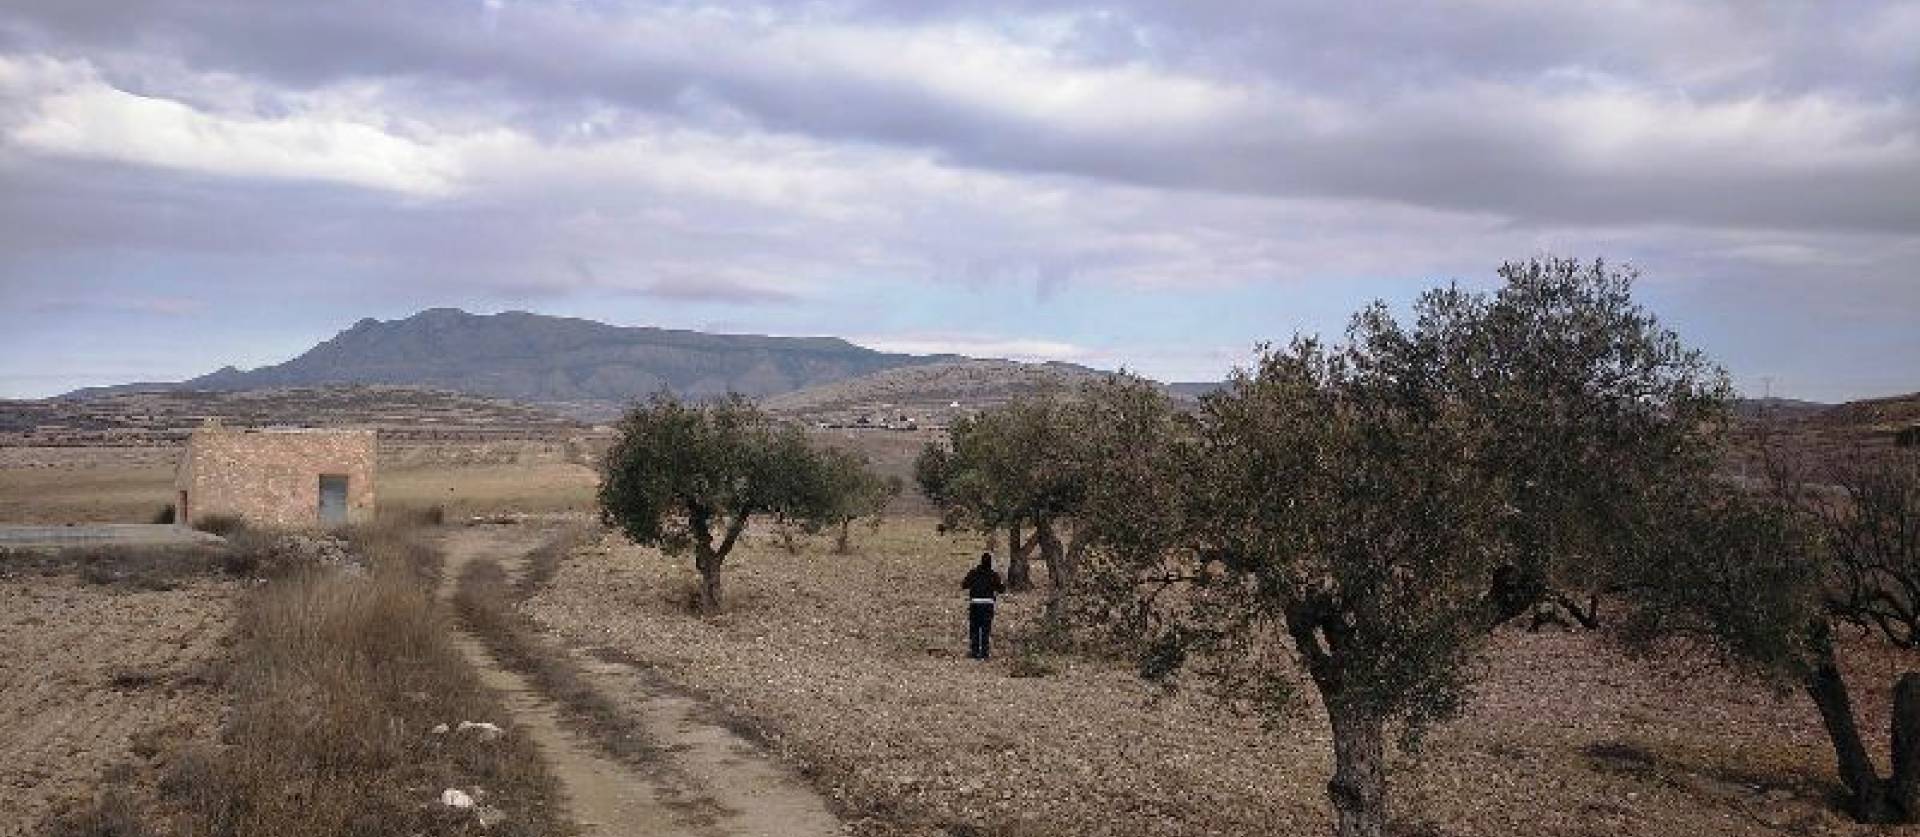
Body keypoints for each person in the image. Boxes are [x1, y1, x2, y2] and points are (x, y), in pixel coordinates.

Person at [961, 552, 1005, 660]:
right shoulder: (993, 574)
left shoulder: (973, 573)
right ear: (990, 563)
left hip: (975, 603)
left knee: (974, 628)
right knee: (986, 629)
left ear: (980, 561)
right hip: (988, 604)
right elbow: (1001, 589)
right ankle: (984, 653)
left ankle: (974, 652)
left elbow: (964, 585)